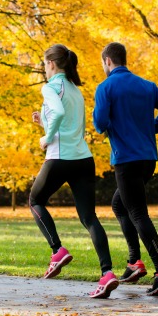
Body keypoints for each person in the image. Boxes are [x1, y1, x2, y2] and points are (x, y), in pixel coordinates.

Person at [30, 44, 118, 299]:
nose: (44, 68)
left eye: (44, 64)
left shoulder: (50, 87)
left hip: (60, 157)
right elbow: (67, 122)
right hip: (83, 158)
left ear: (52, 64)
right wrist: (44, 122)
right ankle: (107, 273)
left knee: (35, 200)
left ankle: (57, 250)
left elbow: (57, 113)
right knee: (89, 218)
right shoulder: (75, 90)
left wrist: (46, 136)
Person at [93, 42, 158, 296]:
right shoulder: (146, 85)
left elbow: (99, 123)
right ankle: (134, 263)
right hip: (147, 159)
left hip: (126, 159)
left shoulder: (105, 87)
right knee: (120, 205)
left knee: (138, 213)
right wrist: (152, 127)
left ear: (107, 61)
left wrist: (112, 124)